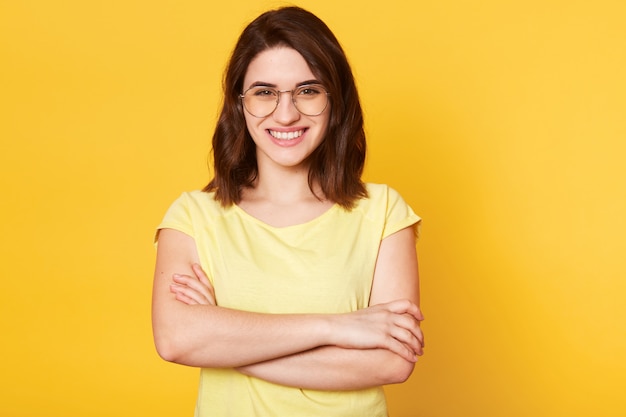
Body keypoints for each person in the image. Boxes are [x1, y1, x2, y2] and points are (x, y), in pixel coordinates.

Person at [152, 6, 424, 417]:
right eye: (264, 92)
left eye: (308, 90)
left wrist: (228, 344)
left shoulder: (384, 211)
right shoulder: (194, 216)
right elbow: (175, 339)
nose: (286, 113)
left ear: (335, 100)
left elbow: (392, 360)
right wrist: (336, 327)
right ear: (239, 104)